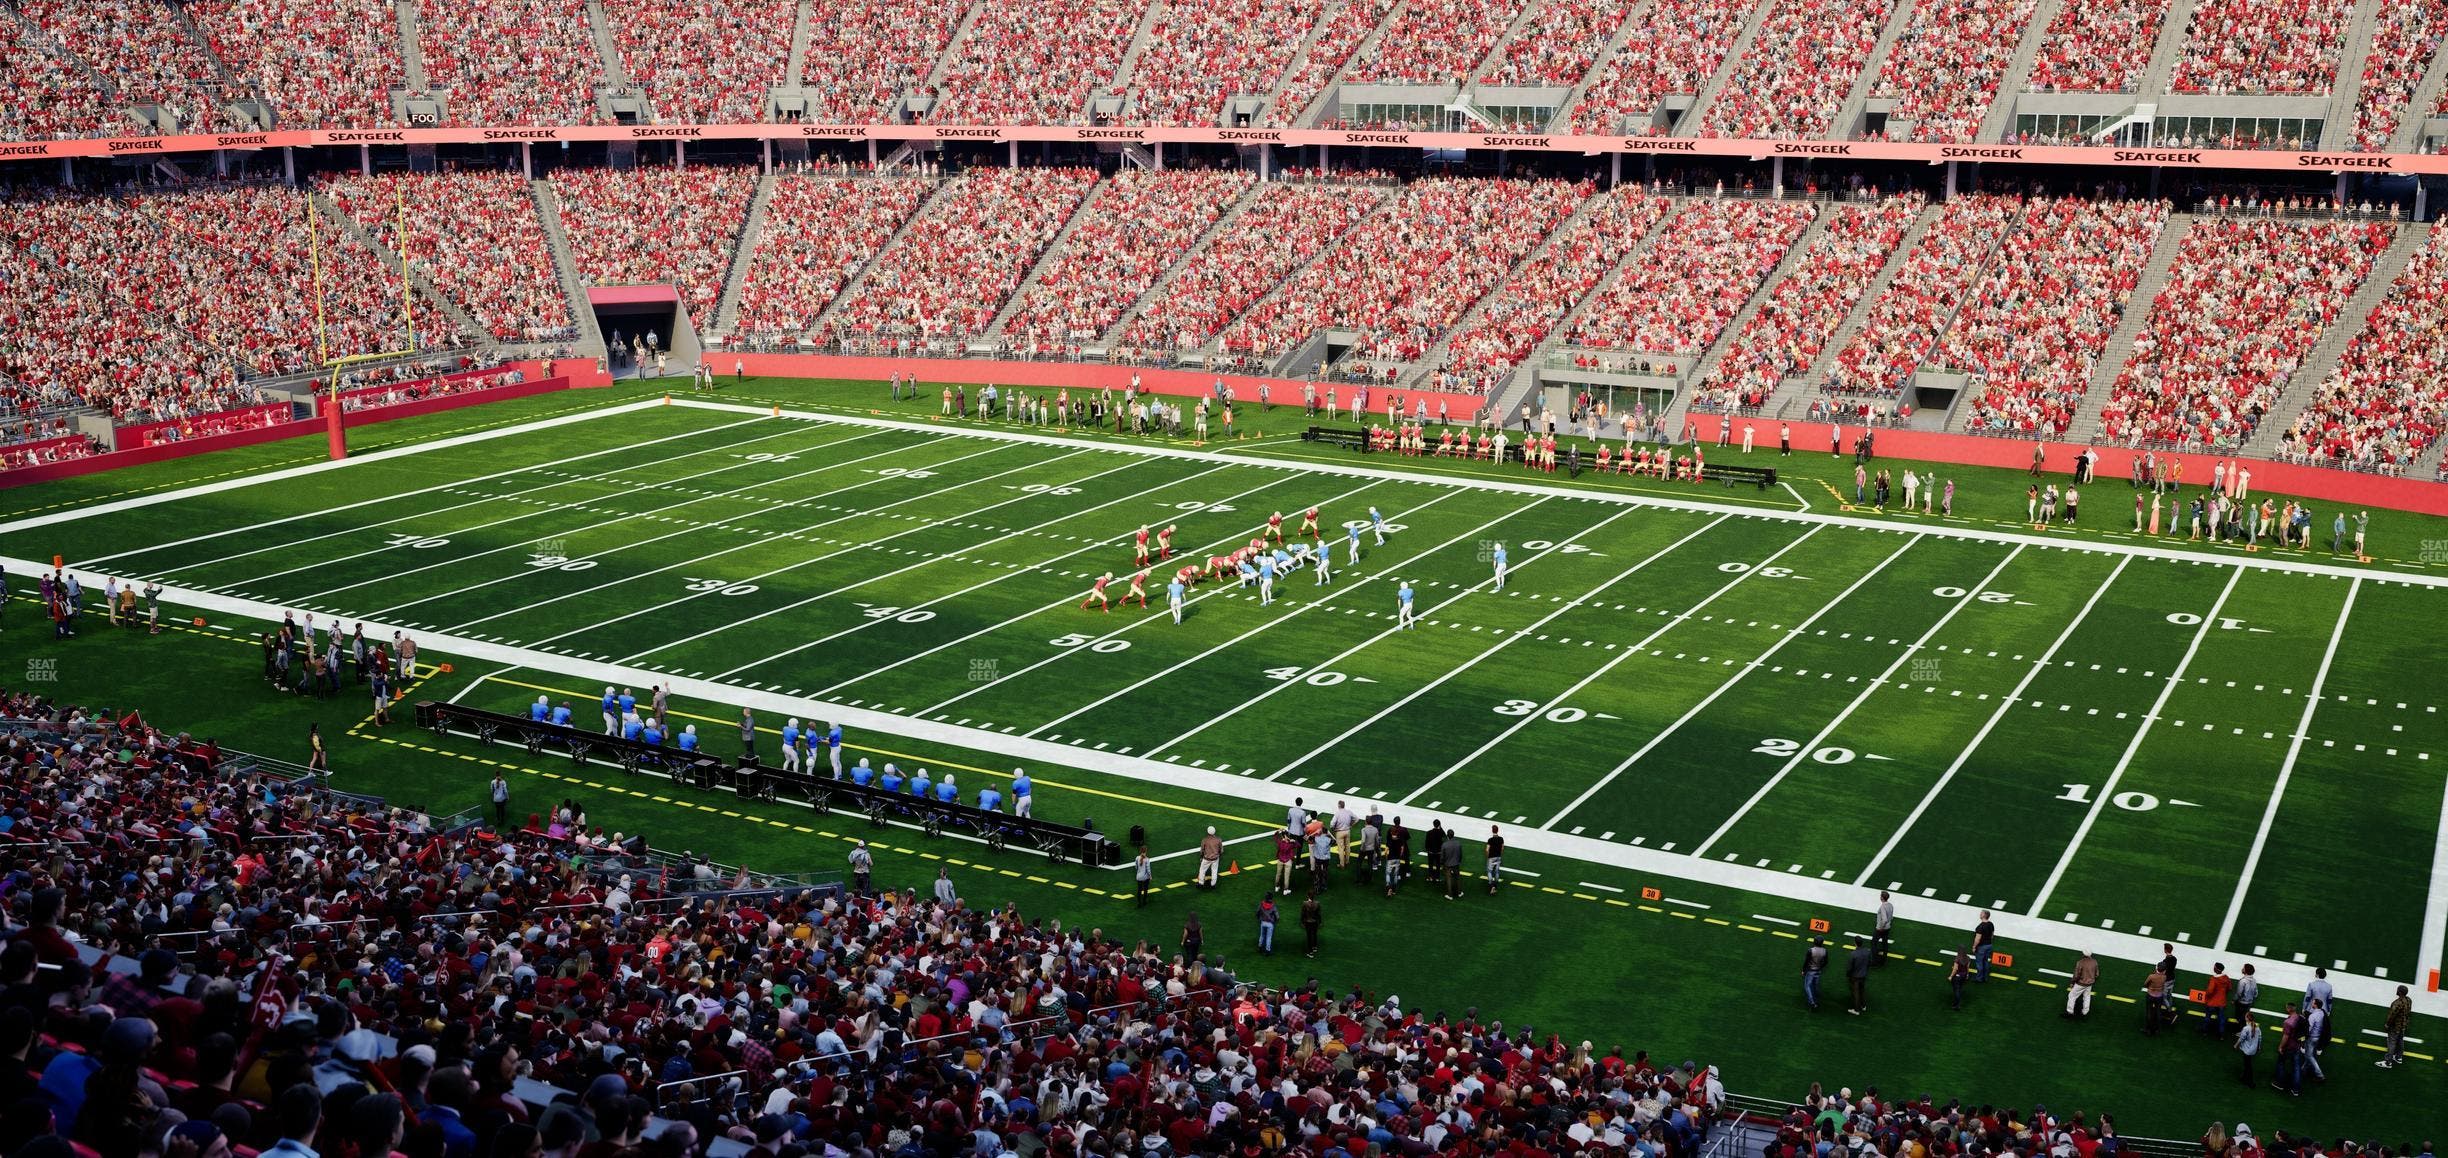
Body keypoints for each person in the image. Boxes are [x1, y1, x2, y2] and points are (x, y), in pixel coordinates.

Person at [2381, 984, 2413, 1067]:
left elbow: (2392, 1016)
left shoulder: (2396, 1003)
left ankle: (2388, 1062)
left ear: (2399, 992)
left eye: (2398, 989)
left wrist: (2387, 1025)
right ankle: (2399, 1057)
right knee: (2400, 1040)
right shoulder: (2409, 1000)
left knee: (2391, 1043)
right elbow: (2409, 1012)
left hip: (2395, 1027)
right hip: (2403, 1025)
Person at [2065, 950, 2099, 1018]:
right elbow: (2097, 974)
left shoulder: (2080, 962)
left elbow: (2076, 975)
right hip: (2089, 984)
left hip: (2080, 983)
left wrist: (2072, 982)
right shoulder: (2094, 962)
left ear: (2083, 954)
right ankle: (2085, 1013)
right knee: (2087, 997)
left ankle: (2070, 1012)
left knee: (2072, 996)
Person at [1801, 937, 1828, 1012]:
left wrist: (1803, 970)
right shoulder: (1825, 951)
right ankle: (1816, 997)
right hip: (1818, 970)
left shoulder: (1811, 950)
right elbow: (1826, 962)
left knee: (1807, 986)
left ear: (1814, 942)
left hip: (1810, 971)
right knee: (1815, 984)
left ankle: (1812, 1002)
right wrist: (1820, 967)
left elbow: (1806, 961)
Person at [2236, 1015, 2263, 1087]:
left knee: (2248, 1066)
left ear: (2247, 1019)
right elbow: (2260, 1038)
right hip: (2253, 1050)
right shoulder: (2257, 1028)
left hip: (2247, 1050)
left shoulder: (2246, 1028)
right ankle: (2244, 1077)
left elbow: (2241, 1039)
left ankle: (2250, 1082)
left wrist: (2236, 1045)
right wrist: (2259, 1047)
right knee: (2248, 1064)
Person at [1845, 939, 1871, 1014]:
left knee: (1856, 993)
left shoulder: (1853, 954)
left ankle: (1856, 1010)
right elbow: (1869, 962)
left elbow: (1850, 967)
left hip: (1855, 977)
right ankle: (1863, 1006)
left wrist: (1848, 975)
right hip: (1863, 975)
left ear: (1855, 943)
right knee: (1862, 991)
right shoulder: (1867, 951)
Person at [1970, 910, 1995, 982]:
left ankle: (1979, 978)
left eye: (1981, 913)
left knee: (1979, 962)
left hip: (1982, 947)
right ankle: (1985, 977)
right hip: (1989, 945)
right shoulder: (1991, 924)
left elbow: (1977, 939)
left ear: (1984, 915)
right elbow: (1992, 935)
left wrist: (1974, 947)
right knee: (1986, 961)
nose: (1980, 914)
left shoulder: (1980, 927)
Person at [1871, 891, 1893, 963]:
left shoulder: (1883, 907)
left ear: (1882, 898)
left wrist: (1881, 927)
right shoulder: (1890, 905)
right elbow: (1891, 917)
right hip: (1888, 928)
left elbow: (1884, 919)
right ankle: (1884, 959)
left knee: (1874, 942)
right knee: (1885, 943)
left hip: (1881, 928)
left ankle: (1875, 960)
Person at [1299, 892, 1322, 958]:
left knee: (1309, 937)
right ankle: (1314, 947)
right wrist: (1320, 922)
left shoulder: (1305, 903)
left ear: (1308, 896)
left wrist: (1302, 922)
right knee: (1314, 934)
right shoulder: (1317, 903)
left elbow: (1303, 914)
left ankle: (1310, 952)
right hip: (1315, 922)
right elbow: (1319, 914)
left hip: (1308, 922)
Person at [1483, 825, 1504, 894]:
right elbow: (1502, 848)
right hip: (1498, 857)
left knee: (1489, 871)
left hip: (1491, 858)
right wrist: (1499, 855)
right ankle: (1495, 885)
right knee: (1497, 871)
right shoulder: (1501, 839)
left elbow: (1487, 850)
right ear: (1497, 830)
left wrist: (1487, 857)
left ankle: (1491, 885)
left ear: (1492, 830)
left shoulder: (1490, 840)